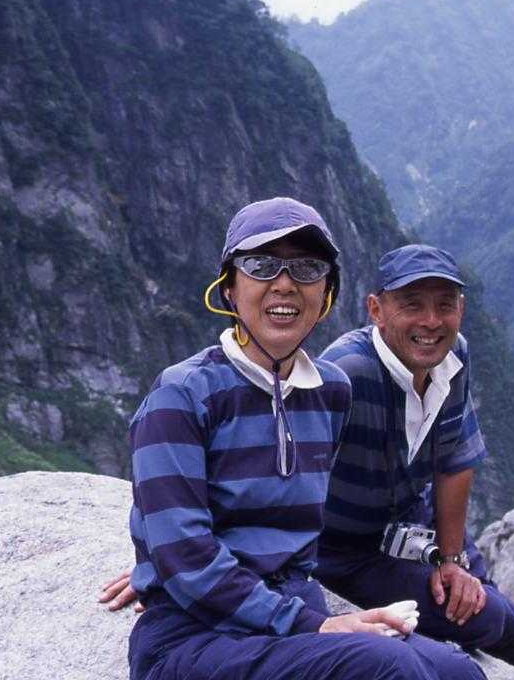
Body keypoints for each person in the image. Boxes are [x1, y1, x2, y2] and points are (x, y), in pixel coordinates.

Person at [123, 199, 485, 680]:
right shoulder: (183, 395)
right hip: (196, 637)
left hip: (290, 616)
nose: (285, 283)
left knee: (459, 671)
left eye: (307, 269)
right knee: (389, 668)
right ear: (229, 287)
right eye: (261, 265)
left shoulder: (330, 392)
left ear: (326, 292)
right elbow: (184, 552)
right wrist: (162, 567)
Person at [315, 244, 514, 680]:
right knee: (492, 617)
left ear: (460, 309)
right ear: (376, 310)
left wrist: (450, 560)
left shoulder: (454, 355)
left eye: (445, 305)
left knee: (489, 600)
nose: (431, 322)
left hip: (413, 515)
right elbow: (286, 473)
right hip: (346, 551)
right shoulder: (346, 373)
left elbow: (455, 459)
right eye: (412, 305)